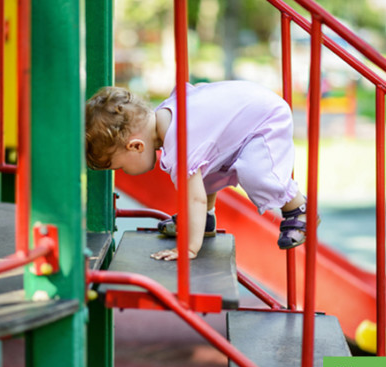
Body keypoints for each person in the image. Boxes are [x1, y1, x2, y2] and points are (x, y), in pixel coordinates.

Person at [85, 81, 309, 261]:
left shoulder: (181, 144)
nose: (124, 171)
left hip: (265, 118)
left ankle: (297, 208)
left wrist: (189, 249)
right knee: (202, 169)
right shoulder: (166, 117)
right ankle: (206, 222)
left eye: (121, 166)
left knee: (257, 173)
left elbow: (196, 200)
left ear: (136, 146)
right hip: (250, 110)